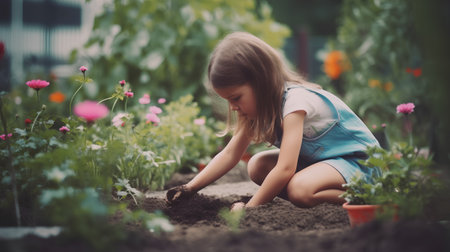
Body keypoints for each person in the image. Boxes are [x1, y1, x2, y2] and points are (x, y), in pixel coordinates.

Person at [166, 32, 381, 211]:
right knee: (257, 166)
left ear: (260, 82)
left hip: (360, 164)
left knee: (300, 189)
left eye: (236, 98)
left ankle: (372, 197)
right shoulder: (256, 109)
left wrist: (250, 208)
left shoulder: (296, 103)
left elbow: (286, 168)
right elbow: (230, 154)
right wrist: (190, 188)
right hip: (327, 165)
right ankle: (317, 193)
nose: (233, 107)